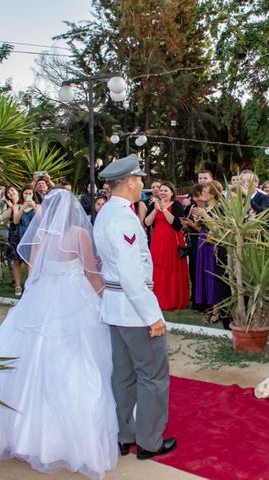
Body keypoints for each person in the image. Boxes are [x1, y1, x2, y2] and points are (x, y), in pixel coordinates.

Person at [0, 189, 118, 479]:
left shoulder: (40, 235)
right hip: (74, 295)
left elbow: (34, 274)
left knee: (33, 357)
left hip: (43, 294)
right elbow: (91, 273)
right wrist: (105, 298)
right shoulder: (79, 233)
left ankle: (28, 434)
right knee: (79, 358)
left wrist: (32, 299)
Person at [93, 154, 177, 460]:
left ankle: (124, 435)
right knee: (153, 375)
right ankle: (150, 441)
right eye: (140, 180)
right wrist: (152, 315)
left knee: (123, 375)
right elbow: (130, 274)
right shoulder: (124, 217)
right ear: (129, 182)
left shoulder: (105, 214)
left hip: (115, 308)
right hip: (133, 310)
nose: (143, 184)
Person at [144, 180, 189, 310]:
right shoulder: (153, 205)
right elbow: (146, 223)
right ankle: (158, 299)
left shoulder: (176, 205)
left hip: (173, 240)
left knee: (171, 268)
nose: (162, 192)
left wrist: (164, 210)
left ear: (172, 192)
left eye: (165, 190)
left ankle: (173, 300)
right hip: (158, 241)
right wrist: (155, 209)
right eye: (161, 190)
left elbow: (177, 225)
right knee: (158, 267)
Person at [189, 181, 227, 324]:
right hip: (202, 241)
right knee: (204, 275)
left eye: (205, 191)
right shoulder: (205, 206)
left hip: (213, 244)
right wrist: (196, 219)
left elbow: (219, 229)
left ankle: (217, 311)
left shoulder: (219, 208)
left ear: (212, 193)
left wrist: (205, 215)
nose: (202, 193)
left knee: (213, 276)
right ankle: (209, 307)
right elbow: (200, 227)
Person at [1, 186, 24, 296]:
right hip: (14, 235)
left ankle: (30, 284)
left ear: (18, 192)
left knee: (29, 262)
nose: (10, 192)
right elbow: (4, 219)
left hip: (25, 233)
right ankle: (17, 285)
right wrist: (11, 207)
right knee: (16, 261)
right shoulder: (7, 205)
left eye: (13, 190)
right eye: (9, 191)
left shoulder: (24, 202)